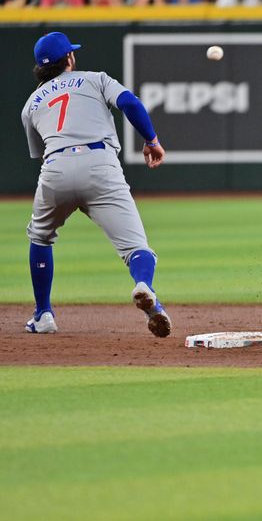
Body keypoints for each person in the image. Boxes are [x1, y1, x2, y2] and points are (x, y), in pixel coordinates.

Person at [21, 32, 171, 337]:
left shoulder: (31, 105)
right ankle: (144, 286)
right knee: (137, 249)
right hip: (100, 164)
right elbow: (130, 102)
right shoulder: (94, 78)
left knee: (40, 238)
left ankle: (43, 315)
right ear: (70, 59)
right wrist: (151, 140)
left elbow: (40, 154)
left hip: (56, 167)